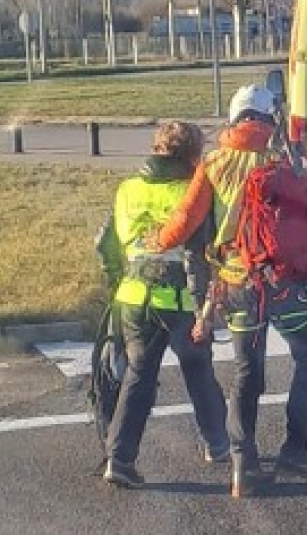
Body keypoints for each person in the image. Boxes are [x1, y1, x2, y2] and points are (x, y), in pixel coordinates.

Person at [154, 84, 307, 496]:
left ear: (234, 119)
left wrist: (157, 240)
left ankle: (244, 466)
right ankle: (296, 450)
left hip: (237, 285)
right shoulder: (289, 155)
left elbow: (184, 222)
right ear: (272, 117)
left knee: (246, 373)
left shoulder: (215, 161)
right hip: (289, 285)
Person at [101, 121, 230, 489]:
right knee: (198, 370)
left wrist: (118, 281)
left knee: (138, 375)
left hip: (134, 297)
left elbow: (105, 242)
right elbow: (209, 246)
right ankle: (217, 444)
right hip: (182, 300)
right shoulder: (195, 191)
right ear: (193, 154)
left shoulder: (128, 189)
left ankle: (119, 460)